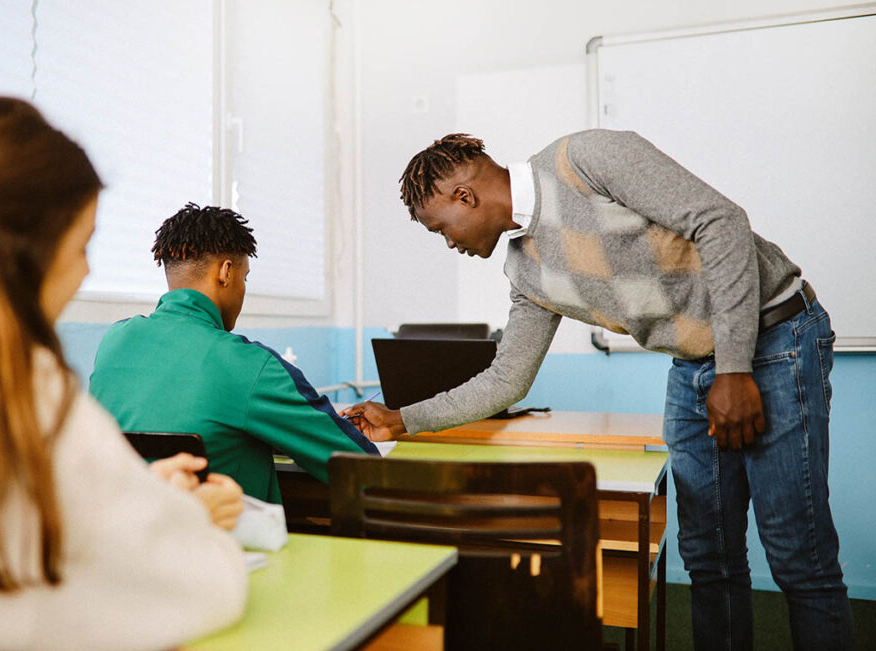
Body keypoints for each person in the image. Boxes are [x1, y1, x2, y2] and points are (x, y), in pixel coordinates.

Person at [342, 131, 853, 650]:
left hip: (775, 334)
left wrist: (734, 370)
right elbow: (506, 380)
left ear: (464, 198)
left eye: (440, 229)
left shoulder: (583, 159)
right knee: (708, 555)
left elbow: (722, 222)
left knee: (797, 552)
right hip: (696, 363)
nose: (448, 242)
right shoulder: (524, 270)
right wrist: (401, 418)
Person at [0, 97, 247, 650]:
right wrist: (186, 516)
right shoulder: (20, 392)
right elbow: (198, 589)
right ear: (23, 254)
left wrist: (136, 498)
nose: (85, 270)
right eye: (83, 245)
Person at [89, 203, 379, 504]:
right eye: (245, 277)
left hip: (115, 536)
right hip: (218, 543)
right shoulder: (251, 365)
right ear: (226, 272)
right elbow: (359, 464)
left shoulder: (114, 341)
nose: (243, 288)